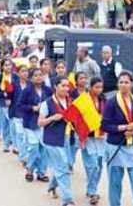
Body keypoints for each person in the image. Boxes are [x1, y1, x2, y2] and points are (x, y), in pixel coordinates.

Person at [101, 71, 133, 206]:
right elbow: (104, 125)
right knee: (115, 184)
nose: (123, 85)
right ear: (117, 84)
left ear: (132, 84)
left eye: (126, 82)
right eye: (121, 82)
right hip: (116, 147)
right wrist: (123, 128)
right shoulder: (111, 102)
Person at [38, 76, 76, 206]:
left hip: (68, 138)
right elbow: (40, 122)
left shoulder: (71, 101)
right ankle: (67, 199)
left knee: (66, 165)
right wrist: (53, 118)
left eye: (67, 86)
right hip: (52, 139)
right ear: (55, 86)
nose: (66, 88)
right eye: (63, 86)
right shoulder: (47, 103)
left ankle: (52, 186)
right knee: (63, 167)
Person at [18, 68, 53, 182]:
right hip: (30, 123)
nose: (38, 77)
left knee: (44, 149)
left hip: (44, 123)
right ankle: (29, 168)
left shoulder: (48, 90)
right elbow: (20, 105)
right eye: (36, 75)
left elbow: (53, 103)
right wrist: (32, 108)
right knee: (33, 148)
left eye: (40, 75)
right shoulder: (27, 91)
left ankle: (41, 173)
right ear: (31, 78)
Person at [81, 77, 106, 205]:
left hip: (101, 137)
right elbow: (77, 120)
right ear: (90, 87)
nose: (99, 90)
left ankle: (92, 189)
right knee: (93, 166)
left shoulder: (103, 99)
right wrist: (81, 137)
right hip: (87, 137)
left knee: (99, 165)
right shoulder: (84, 100)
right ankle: (93, 191)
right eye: (96, 87)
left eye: (101, 87)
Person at [0, 58, 15, 152]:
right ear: (2, 67)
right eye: (6, 65)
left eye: (9, 65)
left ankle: (13, 141)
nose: (8, 67)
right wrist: (3, 94)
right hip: (2, 103)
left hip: (13, 103)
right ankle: (6, 144)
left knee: (13, 124)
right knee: (5, 124)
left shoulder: (15, 77)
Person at [9, 65, 30, 165]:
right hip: (17, 113)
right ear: (18, 73)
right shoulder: (14, 84)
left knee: (27, 137)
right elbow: (10, 98)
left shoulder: (31, 84)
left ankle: (26, 154)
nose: (25, 73)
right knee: (20, 135)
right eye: (22, 71)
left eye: (26, 71)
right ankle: (23, 157)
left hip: (28, 114)